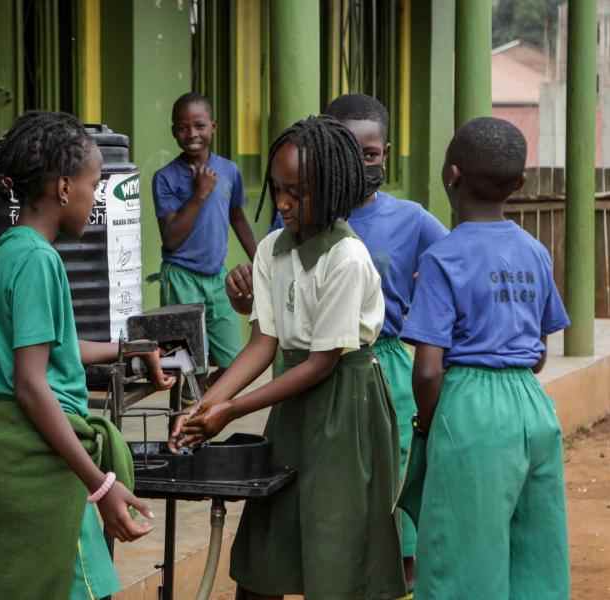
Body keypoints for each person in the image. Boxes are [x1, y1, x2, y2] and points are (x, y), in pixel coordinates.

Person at [172, 116, 407, 600]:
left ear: (333, 187)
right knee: (269, 546)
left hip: (346, 411)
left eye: (297, 192)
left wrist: (232, 411)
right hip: (294, 407)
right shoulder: (272, 251)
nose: (282, 203)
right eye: (277, 189)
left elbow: (322, 363)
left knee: (337, 543)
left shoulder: (347, 258)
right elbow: (263, 342)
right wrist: (205, 404)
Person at [225, 94, 448, 585]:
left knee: (358, 530)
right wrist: (214, 399)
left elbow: (450, 275)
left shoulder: (380, 236)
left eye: (372, 153)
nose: (283, 202)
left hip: (365, 379)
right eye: (278, 190)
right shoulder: (283, 236)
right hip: (294, 383)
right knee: (273, 534)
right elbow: (269, 332)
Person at [0, 111, 175, 600]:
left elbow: (51, 348)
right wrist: (101, 486)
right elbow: (31, 383)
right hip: (42, 460)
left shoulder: (7, 250)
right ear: (64, 188)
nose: (96, 196)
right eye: (94, 183)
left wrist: (128, 348)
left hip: (7, 449)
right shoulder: (40, 261)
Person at [399, 117, 571, 599]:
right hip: (533, 410)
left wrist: (432, 428)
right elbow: (537, 352)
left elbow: (429, 368)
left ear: (451, 175)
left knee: (460, 562)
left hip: (469, 410)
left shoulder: (443, 257)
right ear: (518, 184)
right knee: (536, 556)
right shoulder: (535, 252)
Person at [153, 92, 257, 393]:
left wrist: (262, 260)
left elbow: (237, 218)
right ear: (174, 132)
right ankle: (187, 423)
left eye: (199, 125)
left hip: (217, 279)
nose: (192, 134)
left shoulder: (229, 171)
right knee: (187, 366)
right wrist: (199, 194)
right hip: (180, 279)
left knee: (234, 363)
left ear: (213, 126)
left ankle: (200, 405)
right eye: (183, 128)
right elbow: (171, 239)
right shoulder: (165, 178)